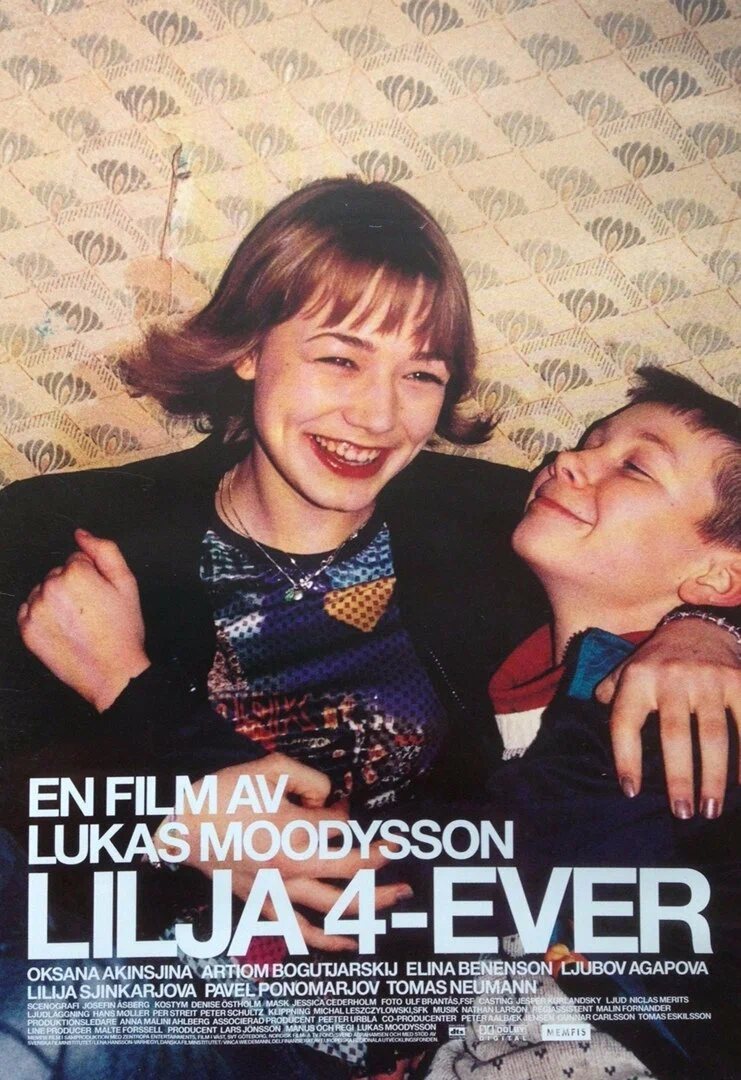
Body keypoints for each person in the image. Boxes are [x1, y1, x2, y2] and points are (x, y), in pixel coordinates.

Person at [1, 179, 739, 1078]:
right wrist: (158, 808)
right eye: (340, 359)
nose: (379, 417)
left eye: (420, 374)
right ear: (248, 349)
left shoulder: (506, 527)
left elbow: (674, 558)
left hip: (362, 1027)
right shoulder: (65, 533)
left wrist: (705, 631)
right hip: (127, 971)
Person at [425, 367, 741, 1080]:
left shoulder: (694, 709)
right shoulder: (512, 668)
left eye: (634, 466)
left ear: (718, 576)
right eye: (589, 442)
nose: (565, 458)